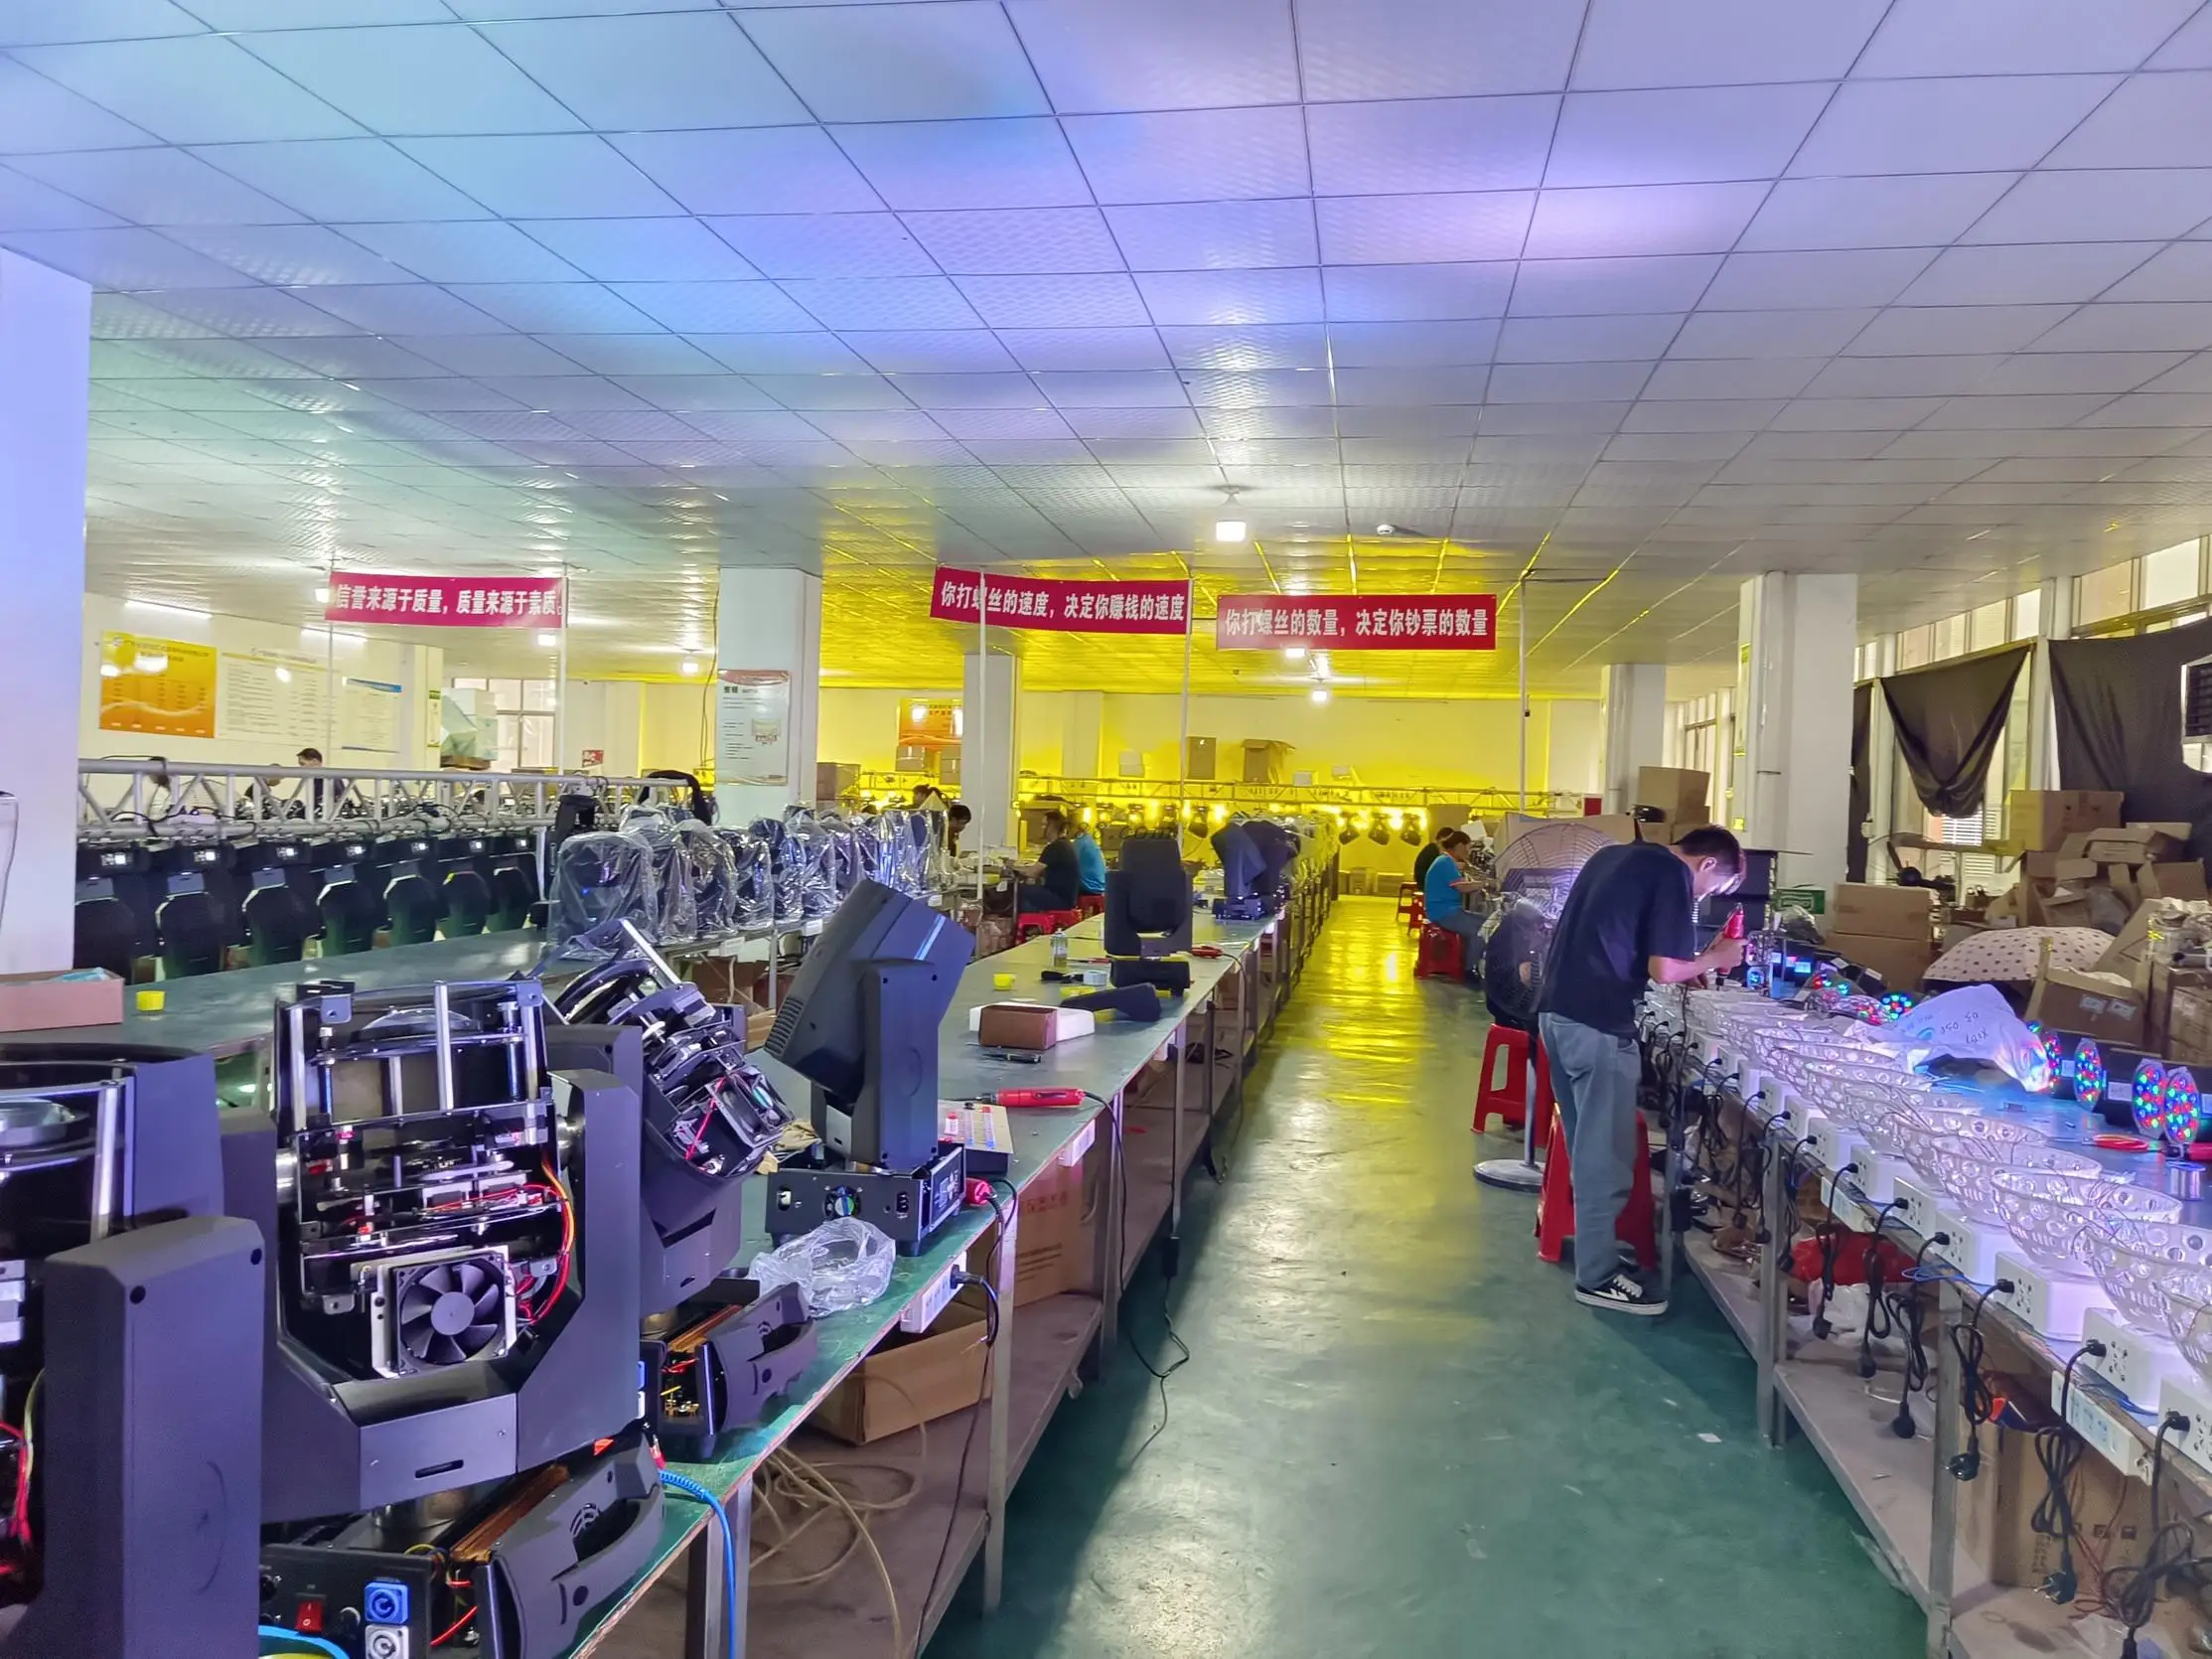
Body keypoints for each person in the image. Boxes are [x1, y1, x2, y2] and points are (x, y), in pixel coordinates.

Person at [1536, 826, 1746, 1317]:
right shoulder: (1673, 875)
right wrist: (1717, 957)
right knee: (1605, 1156)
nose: (1704, 897)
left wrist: (1693, 964)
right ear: (1706, 864)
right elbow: (1664, 969)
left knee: (1586, 1146)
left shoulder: (1612, 856)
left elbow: (1622, 941)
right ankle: (1597, 1277)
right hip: (1598, 1026)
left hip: (1557, 1016)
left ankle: (1599, 1250)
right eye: (1713, 888)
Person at [1421, 829, 1483, 948]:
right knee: (1480, 931)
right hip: (1442, 913)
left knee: (1485, 922)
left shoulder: (1445, 860)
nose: (1469, 853)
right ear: (1460, 846)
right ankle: (1472, 960)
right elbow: (1462, 887)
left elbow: (1459, 882)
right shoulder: (1445, 862)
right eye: (1468, 848)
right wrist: (1484, 884)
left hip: (1445, 910)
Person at [1071, 817, 1107, 897]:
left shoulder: (1079, 843)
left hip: (1089, 888)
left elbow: (1068, 866)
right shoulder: (1089, 841)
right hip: (1099, 887)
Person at [1411, 823, 1448, 889]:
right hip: (1425, 882)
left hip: (1425, 880)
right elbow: (1436, 869)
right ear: (1442, 838)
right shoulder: (1432, 850)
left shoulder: (1432, 848)